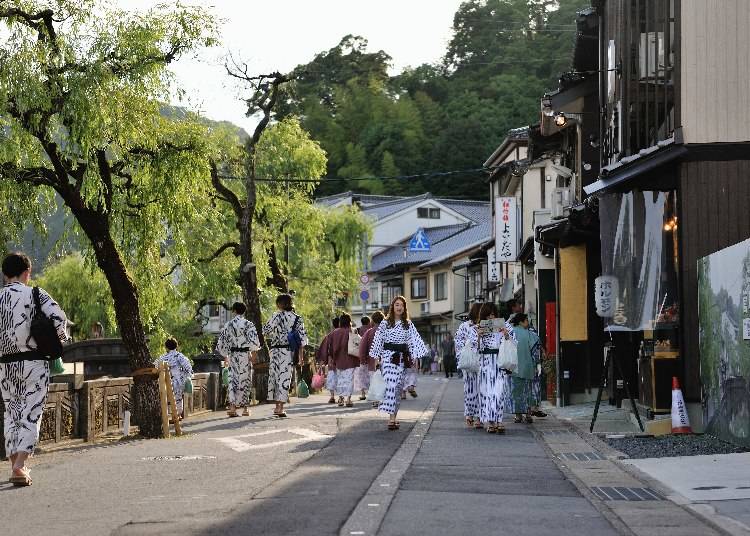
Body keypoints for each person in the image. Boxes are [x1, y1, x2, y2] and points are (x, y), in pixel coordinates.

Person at [0, 252, 70, 486]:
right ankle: (20, 466)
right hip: (32, 362)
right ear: (27, 273)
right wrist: (59, 342)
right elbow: (60, 320)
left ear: (4, 274)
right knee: (31, 411)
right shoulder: (35, 294)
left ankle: (15, 466)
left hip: (5, 365)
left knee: (12, 412)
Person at [369, 296, 427, 430]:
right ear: (392, 307)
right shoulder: (385, 323)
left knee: (398, 388)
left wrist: (414, 358)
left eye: (401, 305)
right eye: (396, 305)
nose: (399, 307)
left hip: (402, 359)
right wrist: (377, 360)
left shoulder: (408, 324)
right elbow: (378, 341)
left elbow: (413, 342)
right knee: (391, 385)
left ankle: (394, 417)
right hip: (388, 358)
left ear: (404, 307)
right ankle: (391, 418)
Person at [263, 293, 308, 418]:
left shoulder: (275, 316)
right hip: (288, 352)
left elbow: (265, 330)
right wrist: (300, 357)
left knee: (275, 378)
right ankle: (281, 407)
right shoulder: (297, 318)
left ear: (279, 304)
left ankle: (276, 406)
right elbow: (302, 340)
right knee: (284, 379)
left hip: (275, 352)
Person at [216, 302, 260, 417]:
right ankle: (245, 409)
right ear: (244, 311)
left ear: (234, 310)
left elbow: (222, 342)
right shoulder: (249, 324)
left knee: (233, 380)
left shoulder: (228, 325)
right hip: (245, 355)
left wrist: (225, 356)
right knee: (245, 380)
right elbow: (254, 341)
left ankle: (233, 408)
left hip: (233, 355)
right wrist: (253, 355)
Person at [477, 302, 511, 434]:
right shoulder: (479, 327)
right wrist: (479, 337)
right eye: (488, 316)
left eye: (493, 315)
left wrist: (506, 334)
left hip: (500, 362)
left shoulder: (504, 325)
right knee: (488, 393)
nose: (491, 318)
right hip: (486, 363)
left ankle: (500, 420)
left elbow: (513, 344)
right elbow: (475, 349)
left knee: (499, 392)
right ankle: (491, 422)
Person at [508, 313, 541, 424]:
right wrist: (537, 364)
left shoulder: (510, 333)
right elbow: (535, 352)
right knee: (527, 391)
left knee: (516, 392)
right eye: (526, 320)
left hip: (512, 367)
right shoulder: (529, 334)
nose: (528, 322)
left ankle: (518, 416)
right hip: (527, 366)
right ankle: (528, 415)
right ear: (521, 322)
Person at [455, 303, 482, 428]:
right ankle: (470, 414)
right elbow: (458, 342)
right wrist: (468, 345)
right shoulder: (465, 326)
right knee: (470, 389)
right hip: (470, 361)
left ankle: (479, 417)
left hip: (482, 361)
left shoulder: (485, 325)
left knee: (481, 389)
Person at [154, 337, 193, 419]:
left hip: (165, 381)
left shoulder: (162, 357)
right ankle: (177, 416)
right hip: (178, 380)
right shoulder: (180, 356)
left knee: (166, 399)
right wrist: (185, 376)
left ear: (166, 347)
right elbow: (188, 368)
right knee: (178, 398)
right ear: (176, 346)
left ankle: (167, 416)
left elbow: (155, 367)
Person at [327, 312, 359, 407]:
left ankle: (341, 398)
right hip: (350, 359)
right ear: (349, 321)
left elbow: (331, 348)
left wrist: (332, 358)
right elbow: (357, 345)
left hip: (338, 359)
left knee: (340, 379)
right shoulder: (353, 331)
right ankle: (348, 399)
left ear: (340, 322)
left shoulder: (334, 333)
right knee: (349, 379)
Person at [358, 310, 384, 407]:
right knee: (385, 379)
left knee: (374, 380)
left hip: (372, 361)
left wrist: (363, 359)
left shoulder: (369, 332)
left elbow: (362, 347)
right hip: (386, 360)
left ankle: (375, 400)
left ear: (372, 320)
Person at [316, 317, 339, 403]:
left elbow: (324, 349)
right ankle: (341, 396)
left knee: (332, 377)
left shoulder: (330, 335)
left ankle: (332, 396)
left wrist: (323, 360)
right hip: (342, 360)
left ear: (333, 325)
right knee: (342, 377)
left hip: (331, 360)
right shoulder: (346, 333)